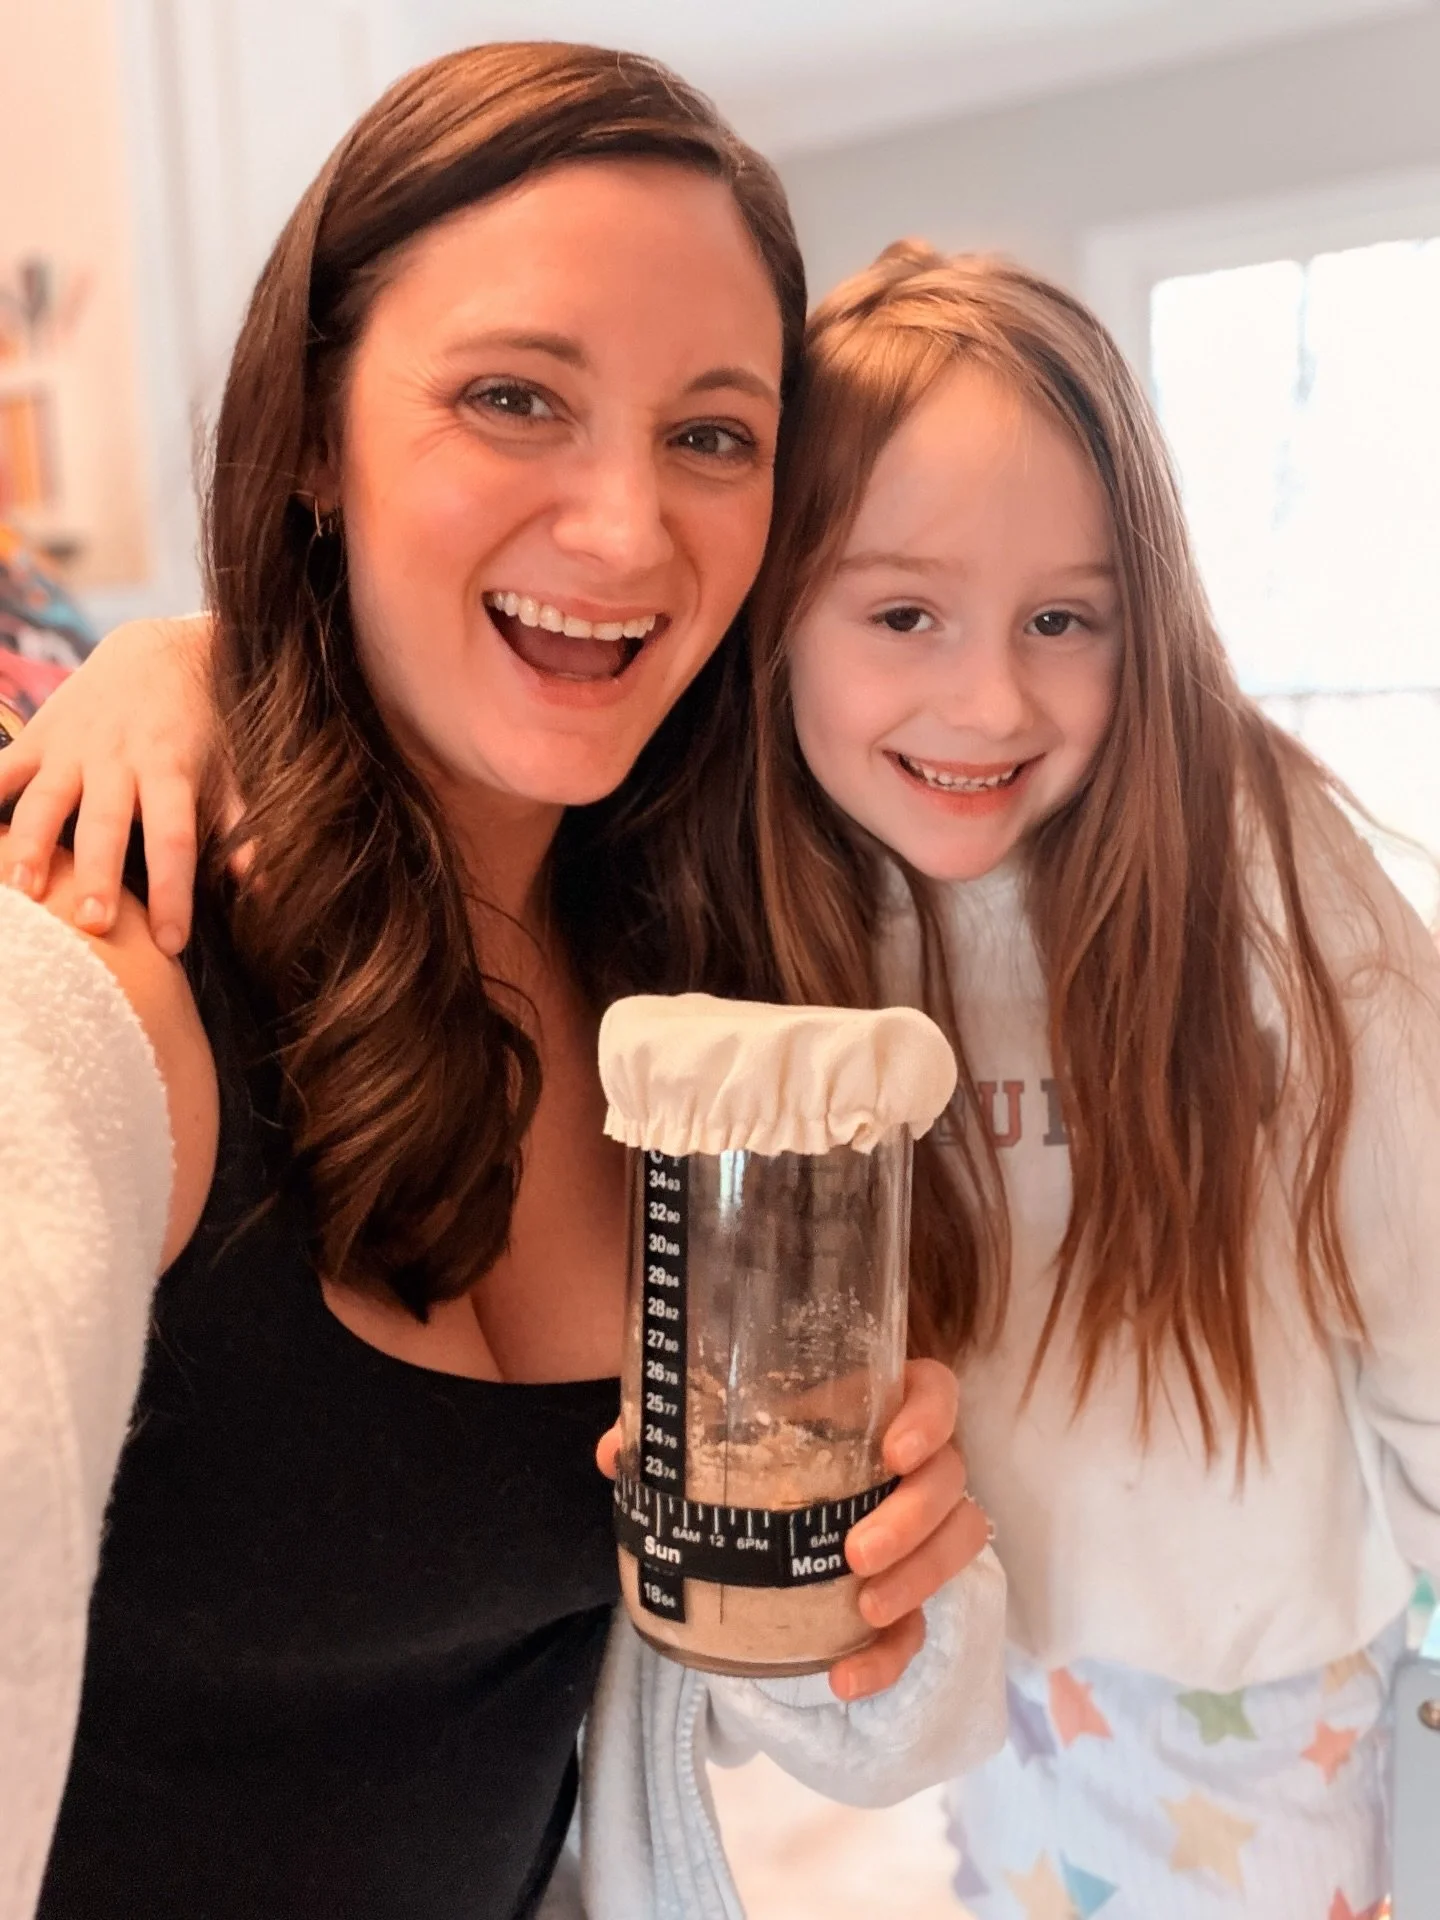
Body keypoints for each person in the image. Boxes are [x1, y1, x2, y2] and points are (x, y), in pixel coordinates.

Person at [0, 57, 1006, 1920]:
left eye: (713, 434)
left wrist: (893, 1598)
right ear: (314, 430)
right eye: (511, 398)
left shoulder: (718, 1010)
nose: (628, 531)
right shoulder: (92, 971)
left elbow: (785, 1722)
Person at [735, 244, 1440, 1917]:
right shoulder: (776, 893)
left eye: (1064, 620)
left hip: (1251, 1676)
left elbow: (1426, 1271)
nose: (990, 699)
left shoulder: (1263, 863)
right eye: (905, 614)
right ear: (780, 621)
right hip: (981, 1666)